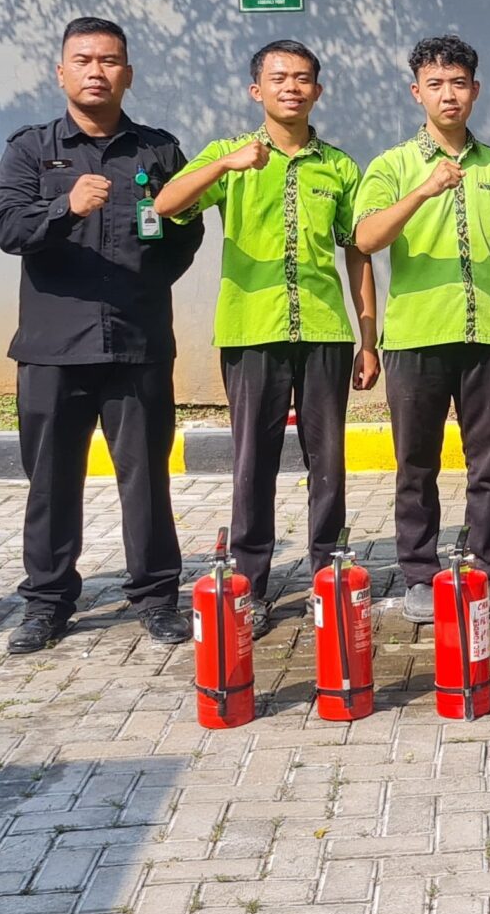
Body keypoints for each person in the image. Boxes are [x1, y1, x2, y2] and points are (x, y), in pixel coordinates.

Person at [0, 17, 208, 653]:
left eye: (109, 61)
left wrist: (147, 280)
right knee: (51, 479)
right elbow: (7, 228)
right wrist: (65, 208)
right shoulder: (31, 149)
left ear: (128, 74)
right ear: (61, 72)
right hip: (53, 347)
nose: (96, 71)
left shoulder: (158, 151)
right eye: (82, 60)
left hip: (137, 341)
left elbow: (187, 229)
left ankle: (157, 597)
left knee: (146, 478)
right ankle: (47, 602)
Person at [156, 40, 380, 637]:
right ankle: (249, 586)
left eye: (302, 78)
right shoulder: (229, 154)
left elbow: (357, 251)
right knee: (252, 461)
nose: (291, 88)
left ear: (317, 91)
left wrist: (367, 337)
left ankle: (329, 577)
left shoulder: (338, 166)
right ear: (257, 90)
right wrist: (225, 167)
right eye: (279, 78)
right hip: (252, 330)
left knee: (328, 460)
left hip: (325, 331)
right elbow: (166, 203)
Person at [354, 35, 490, 622]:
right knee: (416, 465)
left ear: (475, 90)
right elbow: (366, 238)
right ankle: (419, 573)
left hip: (489, 337)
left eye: (458, 83)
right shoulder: (392, 166)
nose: (448, 94)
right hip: (415, 338)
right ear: (417, 92)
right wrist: (423, 190)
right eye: (435, 84)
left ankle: (485, 570)